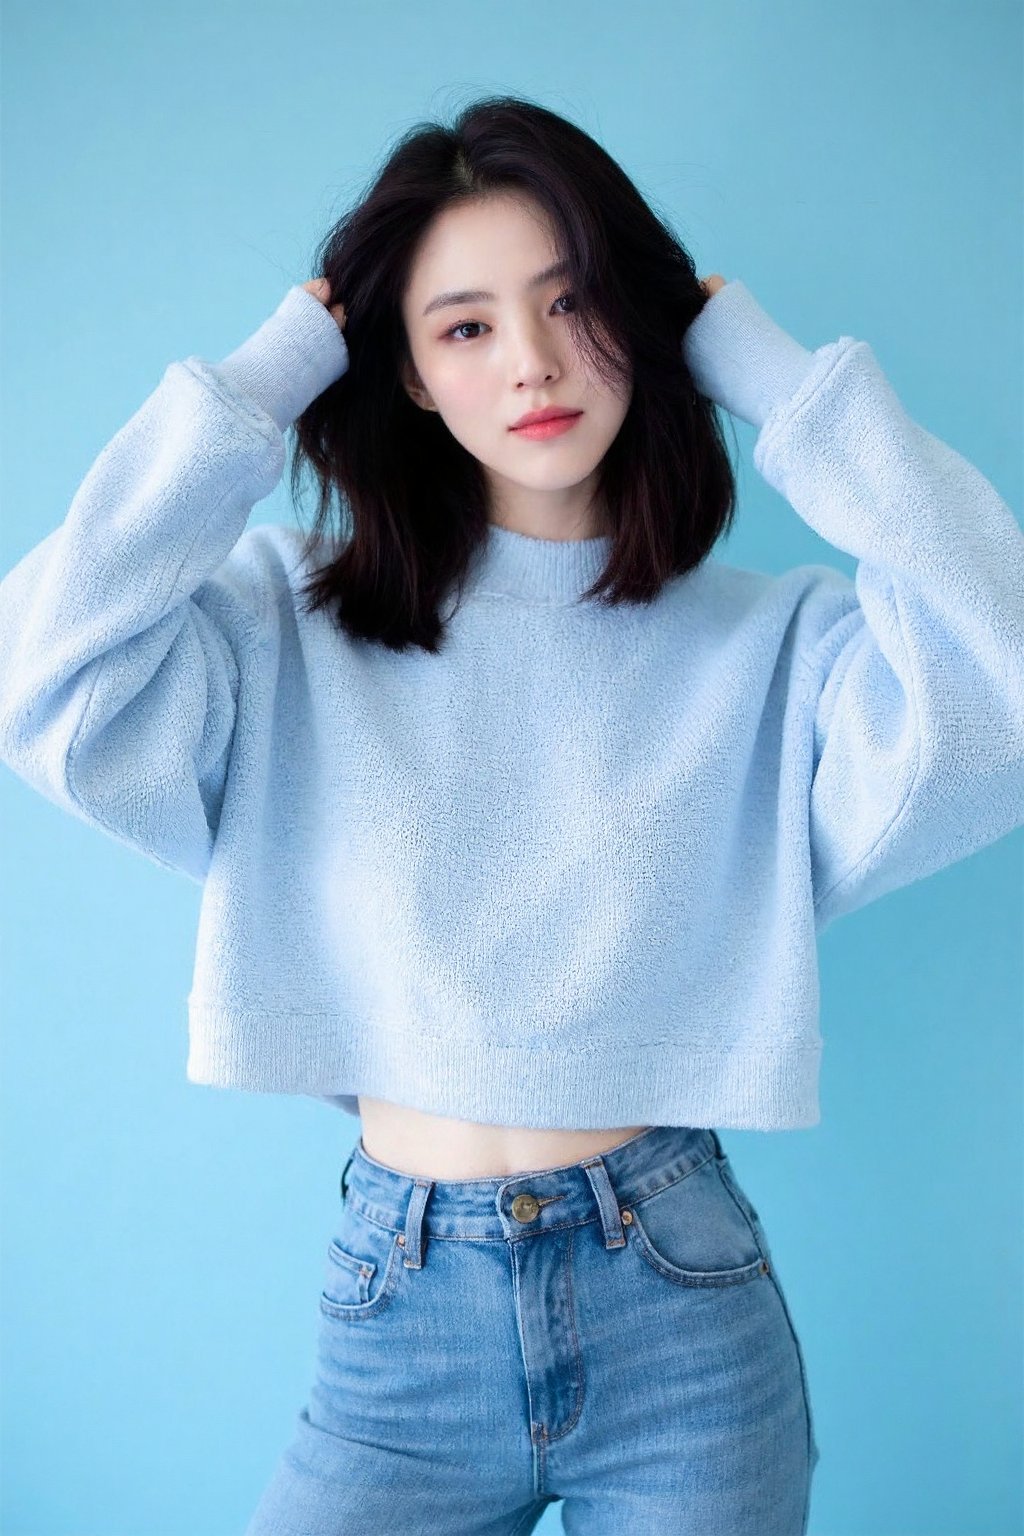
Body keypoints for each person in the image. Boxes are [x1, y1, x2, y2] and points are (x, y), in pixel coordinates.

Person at [1, 92, 1021, 1534]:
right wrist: (266, 376)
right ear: (406, 372)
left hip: (679, 1302)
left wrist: (783, 385)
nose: (534, 363)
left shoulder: (779, 650)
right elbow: (40, 677)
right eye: (466, 325)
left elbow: (1007, 675)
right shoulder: (285, 625)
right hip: (397, 1311)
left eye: (574, 303)